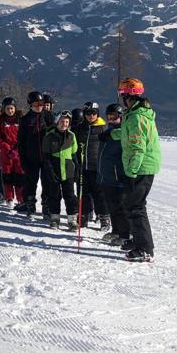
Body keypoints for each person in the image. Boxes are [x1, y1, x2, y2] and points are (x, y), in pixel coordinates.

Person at [118, 77, 161, 262]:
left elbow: (138, 147)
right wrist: (111, 133)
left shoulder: (137, 117)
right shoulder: (135, 114)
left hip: (141, 167)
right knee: (133, 204)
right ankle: (138, 241)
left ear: (128, 96)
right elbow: (129, 134)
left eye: (123, 95)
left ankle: (145, 249)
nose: (122, 99)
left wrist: (131, 172)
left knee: (135, 206)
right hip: (141, 166)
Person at [93, 103, 131, 245]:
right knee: (112, 206)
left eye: (114, 117)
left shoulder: (122, 132)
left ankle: (125, 234)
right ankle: (116, 231)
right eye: (109, 116)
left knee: (119, 207)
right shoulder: (109, 131)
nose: (111, 119)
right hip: (106, 175)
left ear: (121, 117)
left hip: (117, 176)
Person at [17, 90, 53, 216]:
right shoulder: (25, 119)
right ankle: (29, 204)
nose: (39, 106)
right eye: (36, 104)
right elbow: (21, 141)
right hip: (31, 156)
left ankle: (46, 205)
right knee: (30, 181)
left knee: (47, 182)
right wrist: (23, 158)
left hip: (47, 156)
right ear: (30, 105)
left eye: (41, 104)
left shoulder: (48, 116)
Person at [74, 101, 110, 230]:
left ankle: (104, 217)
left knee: (99, 193)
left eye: (94, 113)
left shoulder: (103, 127)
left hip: (97, 167)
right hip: (83, 166)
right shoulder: (80, 127)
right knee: (83, 192)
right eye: (88, 113)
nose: (91, 116)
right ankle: (84, 215)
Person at [41, 110, 79, 229]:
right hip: (54, 167)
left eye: (67, 122)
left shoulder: (72, 135)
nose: (64, 124)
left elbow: (74, 154)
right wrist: (49, 170)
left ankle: (72, 219)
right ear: (57, 122)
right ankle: (55, 218)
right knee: (54, 195)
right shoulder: (49, 135)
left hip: (68, 169)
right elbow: (46, 156)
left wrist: (77, 168)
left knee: (70, 195)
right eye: (62, 121)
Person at [0, 97, 25, 207]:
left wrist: (18, 149)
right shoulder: (1, 121)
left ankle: (21, 198)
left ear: (15, 108)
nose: (10, 111)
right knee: (7, 176)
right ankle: (9, 198)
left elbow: (24, 136)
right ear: (4, 109)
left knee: (19, 176)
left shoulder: (20, 120)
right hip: (6, 154)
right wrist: (7, 149)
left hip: (19, 153)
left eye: (12, 108)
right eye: (8, 108)